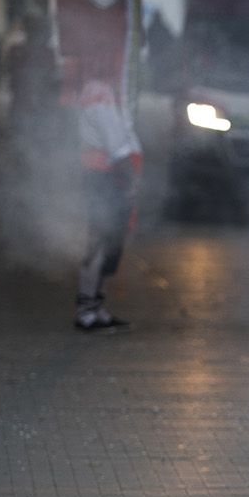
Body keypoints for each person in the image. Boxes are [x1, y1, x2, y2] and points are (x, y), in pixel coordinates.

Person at [74, 78, 141, 332]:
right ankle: (86, 310)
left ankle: (95, 306)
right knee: (100, 242)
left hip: (107, 177)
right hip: (105, 178)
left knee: (109, 244)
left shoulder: (108, 92)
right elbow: (117, 147)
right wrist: (130, 182)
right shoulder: (100, 93)